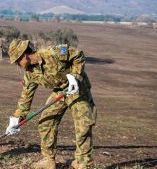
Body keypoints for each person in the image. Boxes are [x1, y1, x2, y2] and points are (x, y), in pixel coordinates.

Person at [6, 39, 97, 169]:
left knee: (83, 125)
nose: (17, 64)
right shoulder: (30, 74)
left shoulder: (52, 53)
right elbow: (25, 97)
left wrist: (74, 76)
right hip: (60, 92)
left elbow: (78, 54)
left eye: (17, 61)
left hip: (78, 89)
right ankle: (48, 160)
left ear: (24, 55)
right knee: (46, 122)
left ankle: (83, 163)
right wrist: (16, 119)